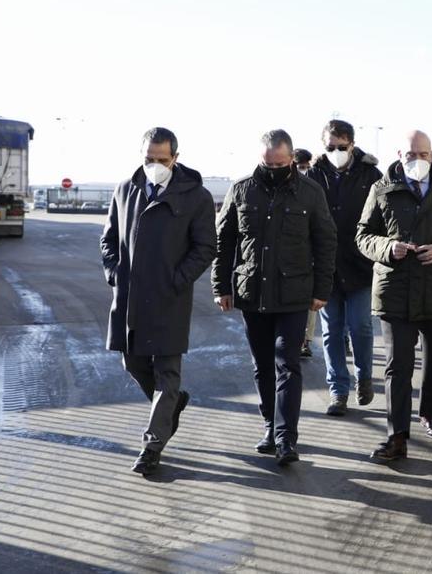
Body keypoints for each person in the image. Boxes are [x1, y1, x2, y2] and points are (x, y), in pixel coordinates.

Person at [212, 130, 337, 465]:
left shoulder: (310, 192)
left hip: (294, 295)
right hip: (253, 292)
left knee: (287, 362)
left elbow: (326, 242)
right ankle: (269, 424)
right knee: (262, 365)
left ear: (291, 158)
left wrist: (321, 290)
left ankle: (286, 438)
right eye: (268, 163)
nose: (273, 169)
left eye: (280, 164)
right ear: (260, 159)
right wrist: (221, 286)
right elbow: (224, 243)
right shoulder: (242, 190)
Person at [356, 130, 432, 461]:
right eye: (411, 154)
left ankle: (430, 413)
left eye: (423, 154)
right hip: (396, 290)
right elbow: (363, 235)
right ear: (400, 154)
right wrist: (387, 247)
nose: (417, 160)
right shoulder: (382, 188)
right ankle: (396, 436)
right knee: (397, 366)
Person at [100, 127, 216, 476]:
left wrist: (177, 280)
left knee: (167, 373)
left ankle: (152, 447)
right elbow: (108, 239)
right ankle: (173, 403)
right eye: (149, 158)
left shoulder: (196, 196)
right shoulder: (125, 189)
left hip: (169, 299)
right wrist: (115, 273)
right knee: (133, 364)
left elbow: (205, 248)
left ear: (175, 158)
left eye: (161, 159)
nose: (154, 165)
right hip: (130, 298)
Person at [306, 119, 383, 416]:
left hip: (361, 265)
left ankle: (364, 377)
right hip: (325, 267)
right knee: (332, 330)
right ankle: (338, 389)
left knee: (361, 326)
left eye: (341, 146)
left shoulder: (370, 174)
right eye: (330, 147)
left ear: (351, 144)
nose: (335, 152)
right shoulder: (313, 176)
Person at [294, 147, 319, 358]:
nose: (303, 171)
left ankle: (305, 341)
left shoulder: (314, 190)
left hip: (310, 257)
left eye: (305, 167)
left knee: (310, 304)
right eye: (299, 167)